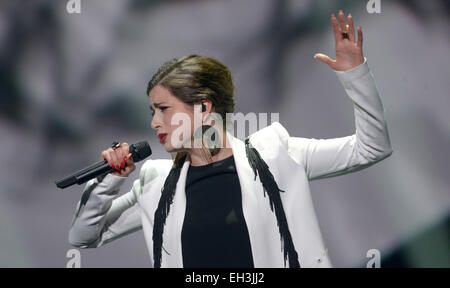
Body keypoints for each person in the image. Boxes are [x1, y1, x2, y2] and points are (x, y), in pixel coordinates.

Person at [68, 11, 393, 268]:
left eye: (164, 109)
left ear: (203, 107)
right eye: (152, 110)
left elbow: (371, 147)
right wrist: (109, 181)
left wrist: (355, 75)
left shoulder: (276, 154)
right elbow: (84, 236)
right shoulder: (156, 184)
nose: (154, 122)